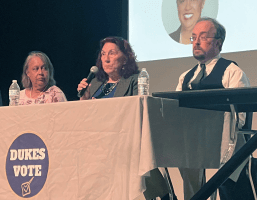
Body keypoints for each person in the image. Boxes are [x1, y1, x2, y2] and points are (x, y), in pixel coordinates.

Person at [77, 36, 173, 200]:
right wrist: (84, 98)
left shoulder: (135, 80)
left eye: (112, 53)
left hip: (126, 147)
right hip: (99, 150)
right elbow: (86, 120)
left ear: (125, 58)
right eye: (103, 54)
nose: (106, 59)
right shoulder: (96, 84)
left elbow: (137, 111)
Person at [176, 17, 250, 200]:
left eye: (203, 37)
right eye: (193, 37)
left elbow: (239, 117)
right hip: (192, 140)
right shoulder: (185, 77)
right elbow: (174, 112)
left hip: (224, 139)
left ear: (218, 43)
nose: (196, 42)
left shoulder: (232, 72)